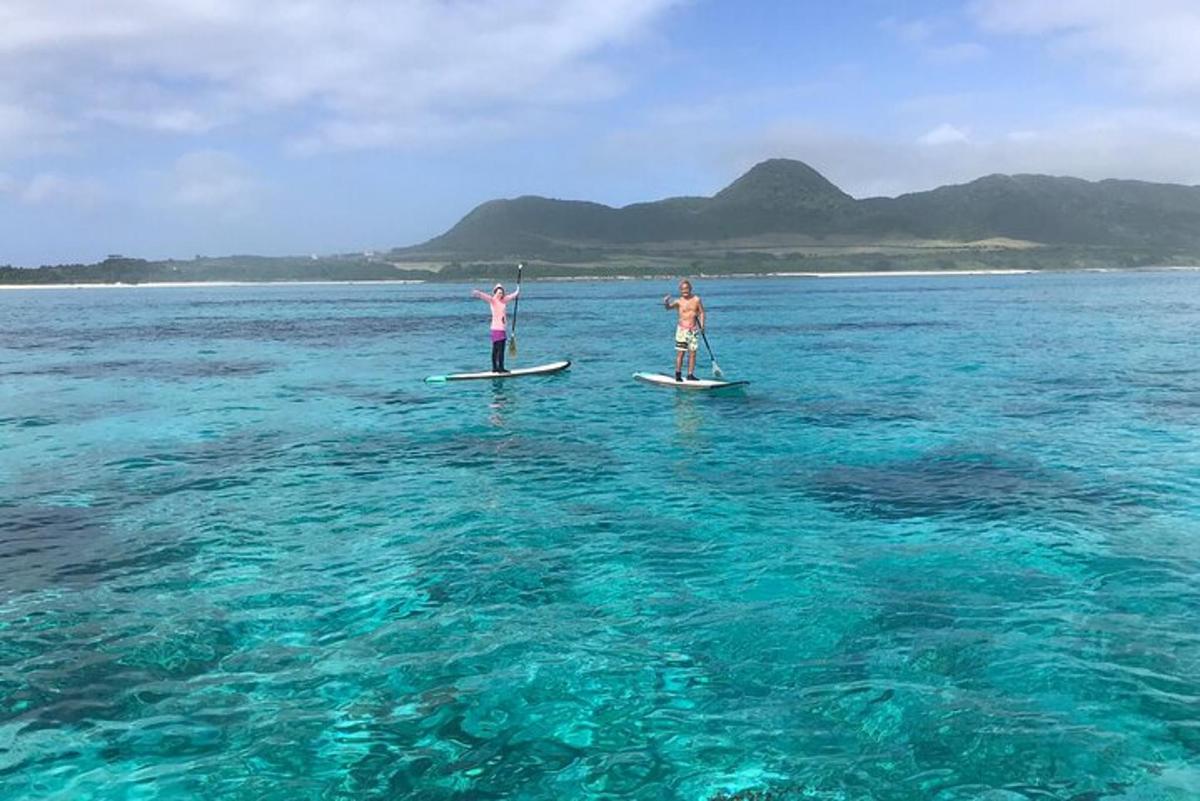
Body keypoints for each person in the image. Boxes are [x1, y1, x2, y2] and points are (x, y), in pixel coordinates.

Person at [663, 279, 705, 381]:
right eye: (682, 289)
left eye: (686, 288)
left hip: (693, 330)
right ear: (680, 290)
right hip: (682, 330)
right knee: (681, 352)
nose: (684, 291)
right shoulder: (678, 301)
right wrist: (666, 302)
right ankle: (678, 374)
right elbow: (668, 308)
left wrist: (702, 326)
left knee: (692, 353)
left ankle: (690, 375)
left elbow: (702, 313)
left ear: (690, 289)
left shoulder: (696, 299)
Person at [472, 283, 520, 372]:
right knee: (496, 349)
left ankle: (501, 367)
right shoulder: (493, 301)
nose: (500, 294)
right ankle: (495, 368)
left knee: (502, 350)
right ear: (495, 293)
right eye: (498, 292)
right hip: (495, 328)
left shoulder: (504, 300)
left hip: (502, 329)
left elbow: (513, 296)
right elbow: (485, 297)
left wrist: (517, 290)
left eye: (501, 293)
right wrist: (478, 293)